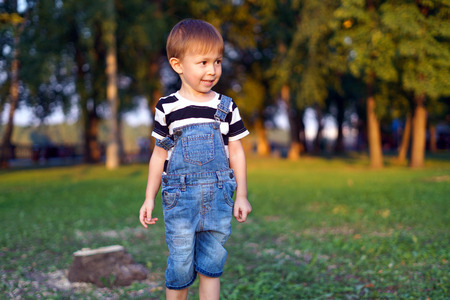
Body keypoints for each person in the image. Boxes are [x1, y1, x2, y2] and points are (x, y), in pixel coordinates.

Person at [139, 19, 252, 300]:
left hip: (219, 197)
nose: (212, 70)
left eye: (217, 61)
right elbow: (159, 154)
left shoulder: (226, 107)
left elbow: (236, 151)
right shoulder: (167, 108)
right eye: (203, 62)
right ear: (178, 65)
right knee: (179, 267)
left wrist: (242, 195)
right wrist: (149, 197)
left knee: (211, 266)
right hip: (180, 198)